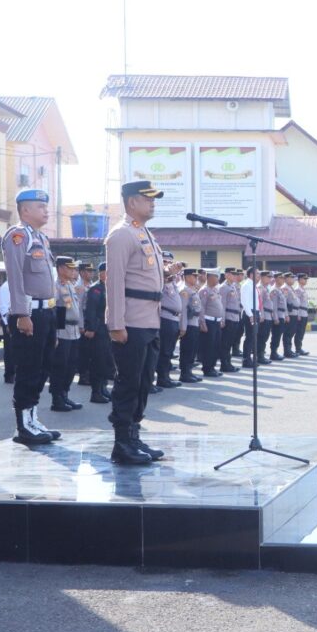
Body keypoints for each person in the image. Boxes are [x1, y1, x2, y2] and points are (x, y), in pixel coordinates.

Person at [105, 180, 166, 465]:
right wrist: (116, 323)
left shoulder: (144, 233)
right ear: (132, 202)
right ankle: (121, 443)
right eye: (148, 198)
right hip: (130, 322)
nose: (152, 203)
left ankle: (133, 436)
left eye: (154, 199)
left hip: (150, 320)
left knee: (143, 383)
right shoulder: (121, 235)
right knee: (128, 383)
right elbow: (115, 282)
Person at [1, 188, 61, 444]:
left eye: (46, 206)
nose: (46, 211)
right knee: (28, 369)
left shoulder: (41, 238)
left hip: (46, 313)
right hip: (29, 314)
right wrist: (22, 314)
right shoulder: (18, 236)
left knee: (42, 368)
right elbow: (15, 277)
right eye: (41, 206)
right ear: (25, 210)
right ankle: (23, 426)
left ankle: (33, 419)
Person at [48, 256, 85, 412]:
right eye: (70, 268)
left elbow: (76, 308)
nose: (73, 271)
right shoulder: (55, 286)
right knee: (60, 367)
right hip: (62, 331)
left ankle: (65, 394)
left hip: (74, 331)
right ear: (61, 268)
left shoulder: (70, 285)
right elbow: (54, 310)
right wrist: (55, 334)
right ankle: (57, 399)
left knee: (71, 366)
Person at [84, 263, 112, 403]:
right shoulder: (95, 289)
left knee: (106, 361)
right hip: (98, 329)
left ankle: (103, 388)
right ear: (101, 273)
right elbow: (91, 310)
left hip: (108, 329)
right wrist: (91, 328)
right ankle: (96, 392)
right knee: (98, 361)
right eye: (107, 271)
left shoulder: (110, 288)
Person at [155, 254, 183, 391]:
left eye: (170, 263)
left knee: (169, 351)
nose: (170, 266)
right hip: (165, 318)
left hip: (174, 318)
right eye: (166, 262)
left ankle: (165, 376)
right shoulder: (159, 278)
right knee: (164, 351)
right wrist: (166, 274)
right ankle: (162, 378)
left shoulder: (171, 280)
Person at [178, 267, 203, 383]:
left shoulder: (192, 290)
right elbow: (183, 310)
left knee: (192, 350)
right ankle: (184, 374)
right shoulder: (184, 291)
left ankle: (189, 372)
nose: (196, 278)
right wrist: (183, 327)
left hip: (194, 323)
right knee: (187, 350)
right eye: (194, 276)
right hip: (188, 324)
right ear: (187, 277)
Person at [199, 269, 225, 377]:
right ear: (209, 277)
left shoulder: (215, 290)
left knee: (216, 346)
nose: (218, 279)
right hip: (208, 322)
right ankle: (207, 368)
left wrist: (221, 319)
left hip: (216, 322)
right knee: (208, 347)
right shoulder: (204, 290)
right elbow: (201, 308)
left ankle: (212, 367)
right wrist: (202, 323)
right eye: (216, 277)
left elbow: (219, 305)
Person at [76, 262, 95, 385]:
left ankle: (89, 374)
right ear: (82, 272)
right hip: (83, 319)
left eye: (92, 271)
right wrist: (81, 325)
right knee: (84, 351)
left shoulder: (92, 285)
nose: (91, 273)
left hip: (90, 319)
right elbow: (78, 307)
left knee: (91, 350)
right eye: (88, 271)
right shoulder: (79, 287)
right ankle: (83, 375)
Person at [219, 267, 241, 372]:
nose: (235, 276)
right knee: (225, 343)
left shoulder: (233, 286)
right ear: (226, 275)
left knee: (230, 342)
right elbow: (222, 305)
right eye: (233, 274)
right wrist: (222, 319)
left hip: (235, 317)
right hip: (228, 317)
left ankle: (228, 363)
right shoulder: (223, 287)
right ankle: (224, 364)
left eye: (236, 274)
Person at [0, 278, 15, 383]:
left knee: (17, 349)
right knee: (9, 349)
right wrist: (7, 324)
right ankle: (9, 375)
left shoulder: (17, 284)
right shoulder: (5, 287)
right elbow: (3, 307)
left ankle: (15, 372)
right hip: (9, 320)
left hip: (18, 318)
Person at [257, 270, 275, 365]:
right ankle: (259, 356)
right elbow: (260, 303)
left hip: (268, 315)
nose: (270, 279)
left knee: (265, 336)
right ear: (262, 277)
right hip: (264, 316)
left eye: (270, 277)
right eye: (268, 277)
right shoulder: (260, 287)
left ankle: (261, 355)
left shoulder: (266, 288)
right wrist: (262, 315)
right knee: (262, 337)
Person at [269, 271, 287, 361]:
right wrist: (275, 318)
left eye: (283, 278)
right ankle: (273, 353)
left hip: (281, 315)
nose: (283, 280)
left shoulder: (280, 290)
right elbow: (274, 306)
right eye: (281, 278)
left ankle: (275, 352)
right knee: (276, 335)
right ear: (276, 279)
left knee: (279, 335)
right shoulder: (274, 290)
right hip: (278, 316)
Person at [280, 272, 299, 358]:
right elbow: (284, 303)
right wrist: (286, 315)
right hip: (290, 314)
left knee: (292, 332)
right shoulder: (285, 288)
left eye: (293, 278)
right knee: (288, 333)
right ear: (286, 278)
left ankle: (289, 350)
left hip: (294, 313)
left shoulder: (290, 288)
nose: (293, 279)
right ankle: (287, 351)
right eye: (291, 278)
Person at [293, 273, 311, 356]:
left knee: (302, 332)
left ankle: (299, 348)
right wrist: (298, 315)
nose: (306, 280)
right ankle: (298, 349)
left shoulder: (303, 289)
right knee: (299, 332)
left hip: (304, 313)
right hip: (300, 313)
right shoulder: (297, 290)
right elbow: (297, 303)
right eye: (304, 279)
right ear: (299, 280)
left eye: (306, 279)